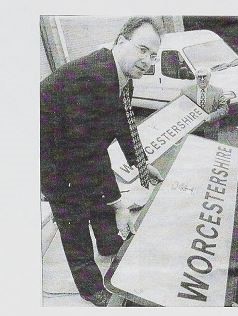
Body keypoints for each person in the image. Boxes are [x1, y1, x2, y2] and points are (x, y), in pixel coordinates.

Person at [40, 17, 163, 306]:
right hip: (51, 158)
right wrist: (119, 202)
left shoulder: (122, 77)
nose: (148, 60)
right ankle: (90, 287)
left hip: (75, 149)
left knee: (99, 191)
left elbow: (123, 124)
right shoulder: (93, 78)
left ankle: (108, 243)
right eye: (143, 49)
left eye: (153, 55)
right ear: (121, 42)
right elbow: (87, 154)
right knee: (74, 219)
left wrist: (142, 163)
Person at [181, 67, 228, 140]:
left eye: (204, 76)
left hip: (210, 129)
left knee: (210, 149)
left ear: (209, 77)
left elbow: (224, 109)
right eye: (199, 77)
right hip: (193, 130)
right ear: (196, 78)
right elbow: (180, 108)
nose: (202, 79)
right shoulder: (186, 91)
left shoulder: (217, 91)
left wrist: (211, 117)